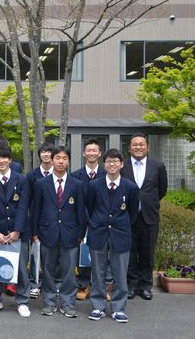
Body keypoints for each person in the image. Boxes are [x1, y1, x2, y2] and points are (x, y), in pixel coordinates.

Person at [32, 145, 86, 318]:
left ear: (69, 161)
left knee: (69, 271)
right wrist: (35, 232)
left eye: (64, 158)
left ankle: (68, 303)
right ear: (51, 160)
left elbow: (81, 212)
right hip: (47, 233)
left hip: (70, 235)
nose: (61, 161)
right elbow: (36, 210)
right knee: (47, 270)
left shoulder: (77, 184)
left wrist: (80, 234)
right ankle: (48, 302)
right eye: (58, 158)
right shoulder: (41, 184)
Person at [86, 149, 139, 323]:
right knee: (98, 272)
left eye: (116, 161)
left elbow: (132, 212)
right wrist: (95, 223)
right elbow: (89, 207)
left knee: (120, 272)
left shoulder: (130, 187)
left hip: (120, 234)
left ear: (122, 164)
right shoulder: (94, 185)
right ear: (104, 164)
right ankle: (98, 306)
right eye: (109, 161)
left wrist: (121, 225)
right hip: (98, 232)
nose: (112, 164)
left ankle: (118, 308)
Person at [0, 144, 31, 317]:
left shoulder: (21, 179)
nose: (1, 161)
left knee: (21, 268)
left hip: (18, 232)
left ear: (10, 159)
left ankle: (23, 301)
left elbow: (23, 206)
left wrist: (17, 231)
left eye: (4, 157)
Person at [120, 133, 168, 300]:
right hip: (127, 216)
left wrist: (148, 202)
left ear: (148, 147)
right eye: (135, 144)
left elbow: (162, 190)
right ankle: (131, 285)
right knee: (130, 252)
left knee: (147, 252)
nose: (138, 147)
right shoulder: (122, 166)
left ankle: (145, 285)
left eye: (141, 144)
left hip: (149, 216)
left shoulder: (158, 166)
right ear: (129, 148)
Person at [70, 139, 106, 300]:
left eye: (94, 150)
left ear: (99, 153)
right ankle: (83, 285)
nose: (91, 153)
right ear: (84, 153)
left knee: (101, 255)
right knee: (81, 255)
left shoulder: (106, 175)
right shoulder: (75, 175)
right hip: (81, 221)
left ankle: (100, 287)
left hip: (101, 221)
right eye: (88, 150)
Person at [25, 142, 56, 299]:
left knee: (52, 255)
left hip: (54, 221)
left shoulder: (59, 173)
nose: (46, 155)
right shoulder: (32, 176)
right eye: (43, 152)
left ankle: (50, 284)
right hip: (37, 219)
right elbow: (29, 200)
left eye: (49, 152)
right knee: (35, 253)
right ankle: (34, 283)